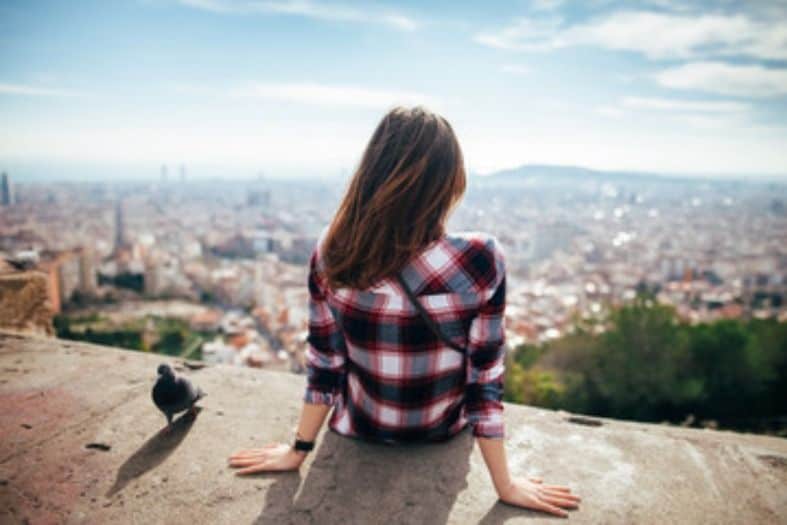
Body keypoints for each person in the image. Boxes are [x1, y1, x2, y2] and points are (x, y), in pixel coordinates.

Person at [228, 106, 580, 518]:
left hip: (360, 428)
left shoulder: (332, 251)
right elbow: (484, 379)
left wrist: (298, 450)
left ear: (371, 172)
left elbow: (325, 362)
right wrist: (505, 484)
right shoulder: (480, 258)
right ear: (451, 182)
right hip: (440, 432)